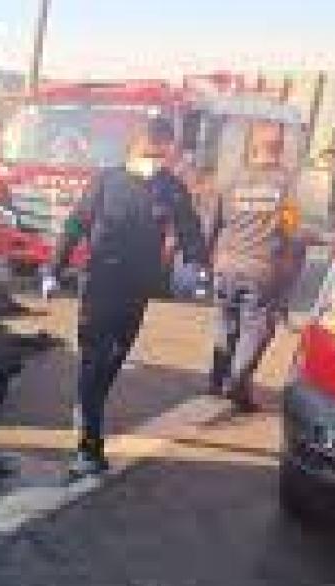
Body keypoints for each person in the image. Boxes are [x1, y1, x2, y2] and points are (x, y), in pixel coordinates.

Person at [42, 117, 210, 477]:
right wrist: (53, 269)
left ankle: (89, 403)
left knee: (116, 354)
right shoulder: (107, 181)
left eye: (162, 155)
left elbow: (190, 228)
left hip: (139, 287)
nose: (156, 162)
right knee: (94, 357)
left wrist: (198, 265)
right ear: (135, 148)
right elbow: (76, 223)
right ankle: (89, 445)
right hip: (101, 281)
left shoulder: (170, 187)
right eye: (151, 153)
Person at [206, 121, 304, 412]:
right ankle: (237, 382)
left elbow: (213, 223)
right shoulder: (285, 186)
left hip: (226, 265)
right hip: (261, 269)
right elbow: (291, 231)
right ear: (280, 148)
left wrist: (211, 258)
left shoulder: (231, 180)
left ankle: (217, 381)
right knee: (255, 328)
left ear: (252, 146)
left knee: (226, 321)